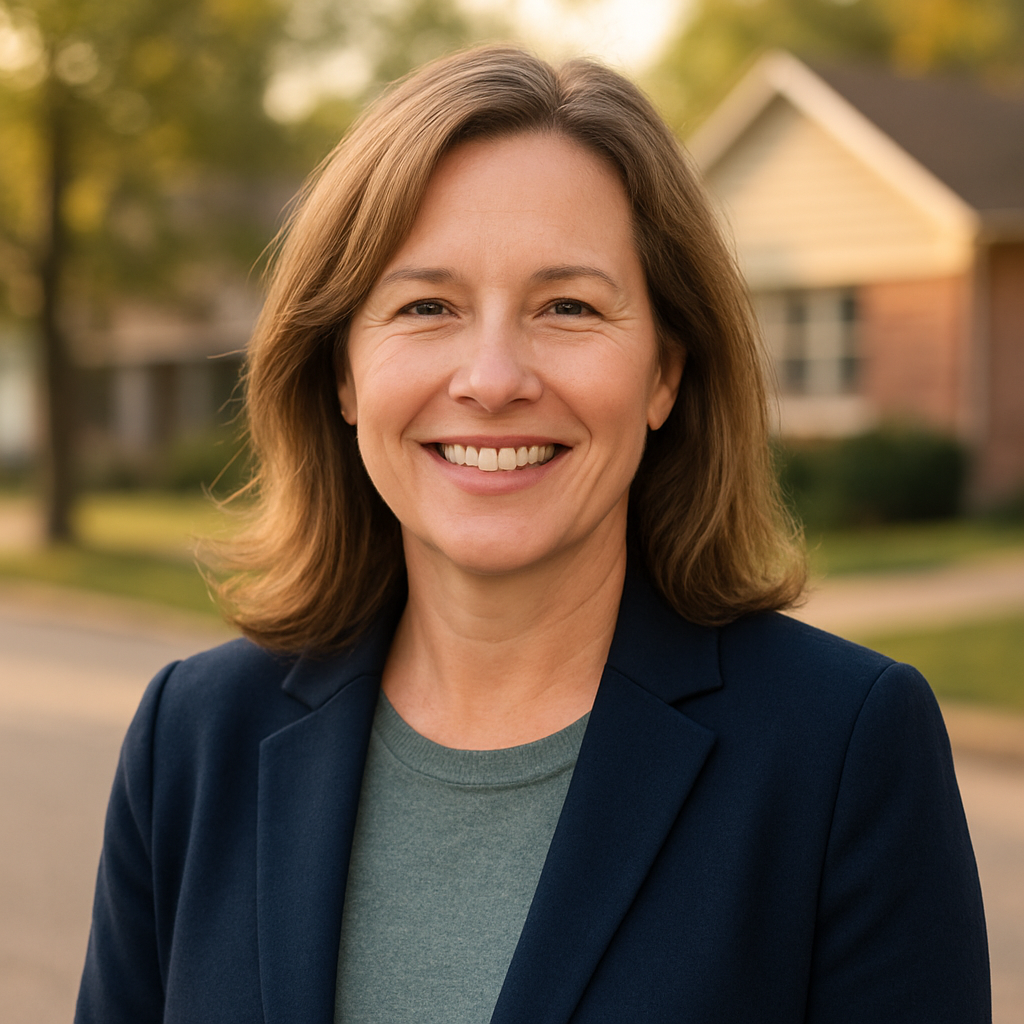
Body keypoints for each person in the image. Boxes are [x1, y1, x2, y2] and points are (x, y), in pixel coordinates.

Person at [75, 45, 989, 1024]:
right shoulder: (196, 736)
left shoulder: (840, 751)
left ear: (664, 372)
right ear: (343, 372)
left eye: (567, 306)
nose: (493, 376)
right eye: (427, 306)